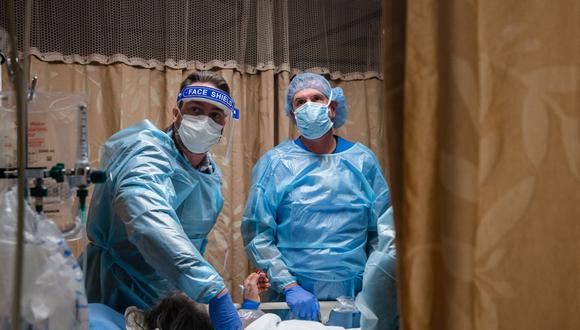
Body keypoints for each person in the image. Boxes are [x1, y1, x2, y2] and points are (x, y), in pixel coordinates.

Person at [83, 71, 242, 329]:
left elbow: (191, 243)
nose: (205, 120)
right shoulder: (144, 149)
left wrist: (190, 299)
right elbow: (147, 217)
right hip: (114, 290)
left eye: (215, 115)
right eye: (195, 110)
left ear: (224, 122)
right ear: (176, 112)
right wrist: (213, 290)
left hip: (166, 303)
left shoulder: (209, 176)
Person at [241, 72, 392, 321]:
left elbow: (381, 233)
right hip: (292, 296)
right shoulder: (275, 163)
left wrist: (374, 287)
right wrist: (289, 286)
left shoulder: (363, 161)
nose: (308, 105)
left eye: (317, 98)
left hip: (355, 295)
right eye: (300, 102)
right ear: (292, 114)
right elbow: (258, 233)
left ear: (332, 108)